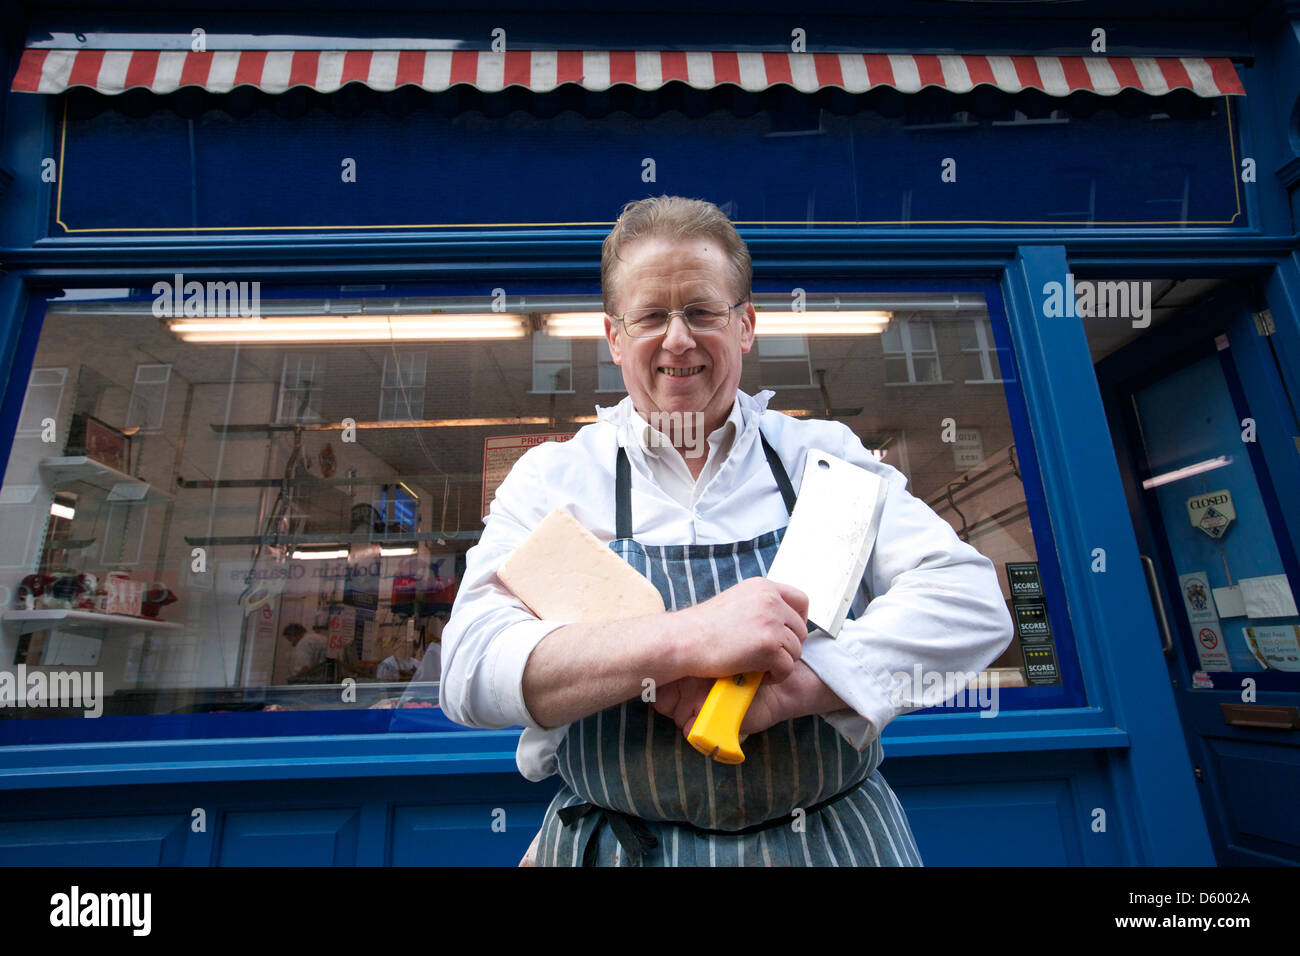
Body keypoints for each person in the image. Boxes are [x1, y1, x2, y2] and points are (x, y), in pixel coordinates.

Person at [441, 195, 1014, 867]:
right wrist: (684, 640)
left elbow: (970, 599)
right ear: (615, 336)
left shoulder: (818, 461)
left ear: (745, 325)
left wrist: (798, 686)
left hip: (830, 845)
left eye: (702, 311)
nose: (678, 338)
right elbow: (469, 669)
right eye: (651, 315)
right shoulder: (555, 480)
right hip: (624, 846)